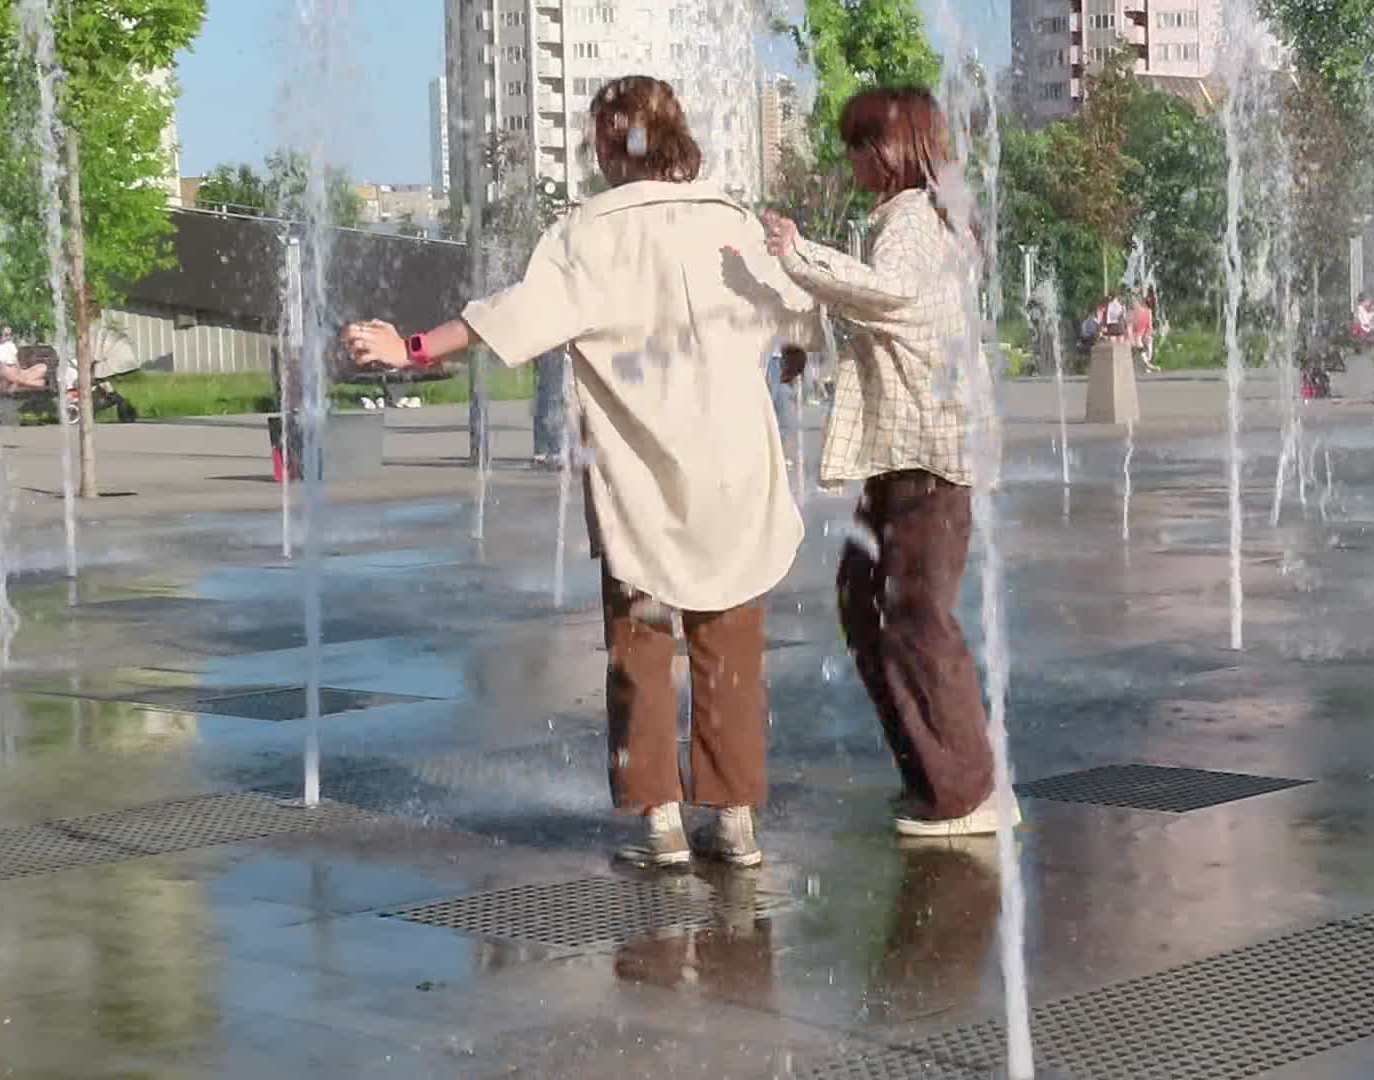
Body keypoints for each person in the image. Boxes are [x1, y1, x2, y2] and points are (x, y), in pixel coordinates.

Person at [349, 75, 819, 869]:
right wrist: (798, 349)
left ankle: (661, 822)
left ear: (610, 145)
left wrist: (412, 348)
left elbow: (514, 314)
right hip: (735, 472)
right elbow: (795, 306)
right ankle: (734, 818)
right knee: (730, 648)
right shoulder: (732, 221)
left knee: (641, 644)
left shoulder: (590, 234)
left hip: (642, 478)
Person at [762, 86, 1014, 838]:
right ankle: (937, 777)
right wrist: (806, 334)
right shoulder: (919, 216)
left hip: (925, 452)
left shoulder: (908, 219)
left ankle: (965, 793)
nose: (851, 161)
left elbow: (891, 295)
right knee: (871, 601)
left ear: (892, 149)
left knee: (914, 615)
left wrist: (797, 254)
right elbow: (883, 308)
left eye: (859, 145)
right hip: (917, 448)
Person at [1128, 295, 1157, 373]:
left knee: (1148, 345)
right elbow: (1130, 328)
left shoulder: (1148, 312)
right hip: (1136, 336)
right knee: (1139, 345)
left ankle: (1146, 365)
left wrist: (1148, 334)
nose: (1133, 304)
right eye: (1132, 303)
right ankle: (1147, 365)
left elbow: (1149, 325)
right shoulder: (1131, 314)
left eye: (1134, 302)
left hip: (1145, 334)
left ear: (1139, 303)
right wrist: (1131, 338)